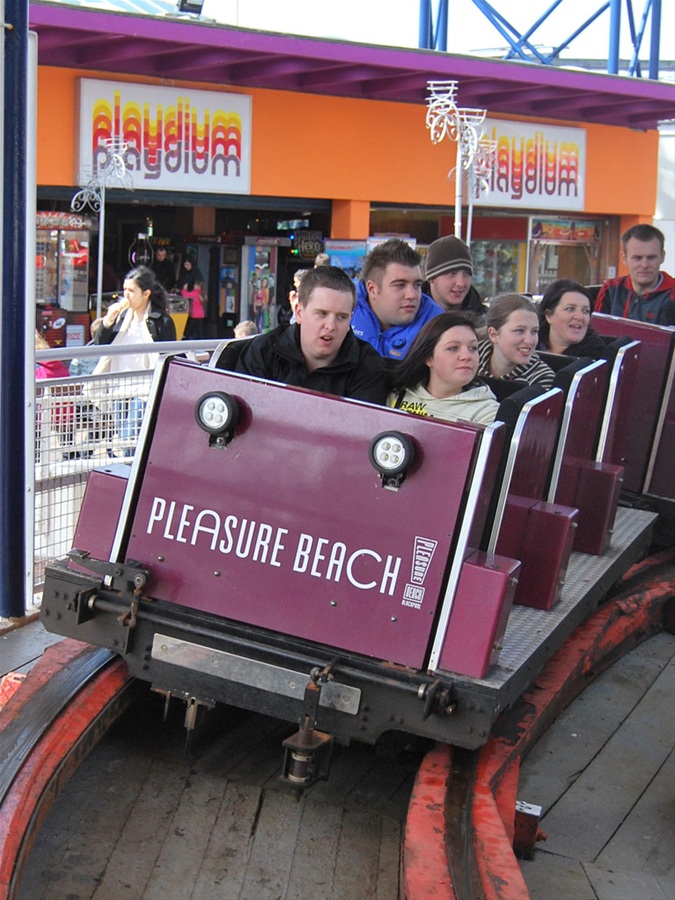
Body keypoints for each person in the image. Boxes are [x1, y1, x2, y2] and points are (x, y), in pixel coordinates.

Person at [216, 265, 388, 404]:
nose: (331, 326)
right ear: (299, 312)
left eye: (341, 317)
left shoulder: (368, 366)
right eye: (322, 313)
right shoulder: (263, 351)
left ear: (351, 318)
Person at [95, 266, 176, 454]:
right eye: (124, 290)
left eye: (131, 291)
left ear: (146, 293)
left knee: (129, 439)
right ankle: (131, 475)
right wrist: (107, 321)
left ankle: (132, 478)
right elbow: (100, 344)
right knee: (126, 440)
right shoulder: (122, 317)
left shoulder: (160, 321)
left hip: (144, 387)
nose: (126, 295)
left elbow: (170, 353)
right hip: (118, 386)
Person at [387, 312, 499, 425]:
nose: (466, 356)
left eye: (473, 348)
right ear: (428, 357)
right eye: (453, 348)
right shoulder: (399, 395)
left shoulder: (488, 413)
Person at [351, 238, 443, 360]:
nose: (412, 295)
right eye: (400, 285)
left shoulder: (437, 326)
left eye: (417, 285)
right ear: (372, 289)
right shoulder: (343, 309)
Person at [594, 224, 675, 325]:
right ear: (624, 258)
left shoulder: (672, 295)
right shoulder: (611, 290)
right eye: (637, 258)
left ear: (662, 257)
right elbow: (596, 333)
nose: (644, 265)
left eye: (651, 257)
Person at [478, 294, 555, 388]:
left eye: (534, 331)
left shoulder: (542, 378)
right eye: (519, 331)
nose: (529, 341)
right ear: (493, 334)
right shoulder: (468, 358)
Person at [538, 279, 607, 359]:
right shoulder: (530, 343)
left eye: (585, 311)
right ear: (549, 315)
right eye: (570, 309)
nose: (580, 317)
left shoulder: (596, 354)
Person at [423, 235, 486, 318]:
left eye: (466, 274)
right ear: (431, 278)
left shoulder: (486, 321)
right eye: (452, 274)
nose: (461, 283)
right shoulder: (410, 317)